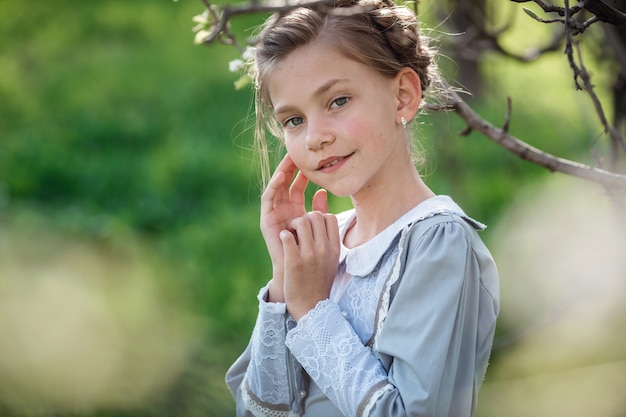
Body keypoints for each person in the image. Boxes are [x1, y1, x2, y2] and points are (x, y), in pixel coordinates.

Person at [225, 0, 500, 416]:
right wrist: (285, 278)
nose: (315, 137)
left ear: (403, 96)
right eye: (293, 120)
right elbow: (257, 412)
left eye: (337, 101)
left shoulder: (438, 245)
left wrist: (314, 313)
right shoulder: (322, 250)